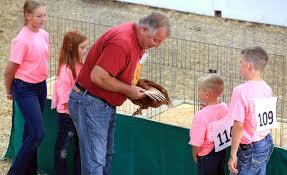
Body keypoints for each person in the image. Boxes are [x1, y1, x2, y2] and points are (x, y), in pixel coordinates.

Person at [68, 12, 170, 175]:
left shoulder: (137, 39)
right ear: (143, 29)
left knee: (104, 157)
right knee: (96, 162)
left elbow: (117, 71)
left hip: (101, 103)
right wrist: (129, 90)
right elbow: (98, 76)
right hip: (91, 102)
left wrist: (137, 87)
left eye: (160, 42)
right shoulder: (122, 42)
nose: (156, 45)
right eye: (155, 40)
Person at [4, 0, 49, 174]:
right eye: (39, 16)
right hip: (24, 88)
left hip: (41, 86)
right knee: (38, 134)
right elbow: (9, 72)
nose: (43, 19)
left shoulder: (44, 35)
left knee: (30, 130)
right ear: (27, 15)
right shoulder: (21, 40)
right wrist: (9, 90)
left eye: (44, 15)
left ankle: (30, 170)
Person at [228, 46, 274, 175]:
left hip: (249, 148)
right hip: (266, 141)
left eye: (241, 62)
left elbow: (239, 125)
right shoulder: (267, 88)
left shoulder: (240, 90)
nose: (240, 65)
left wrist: (232, 154)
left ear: (248, 66)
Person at [51, 31, 88, 175]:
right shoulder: (66, 70)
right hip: (68, 116)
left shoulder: (81, 65)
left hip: (79, 115)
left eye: (86, 48)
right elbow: (64, 97)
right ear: (72, 47)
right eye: (83, 48)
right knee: (62, 149)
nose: (86, 51)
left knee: (80, 148)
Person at [189, 73, 228, 175]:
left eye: (199, 89)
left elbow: (197, 142)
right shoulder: (224, 107)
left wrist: (195, 155)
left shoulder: (200, 115)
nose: (197, 91)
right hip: (221, 150)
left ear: (207, 94)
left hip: (206, 155)